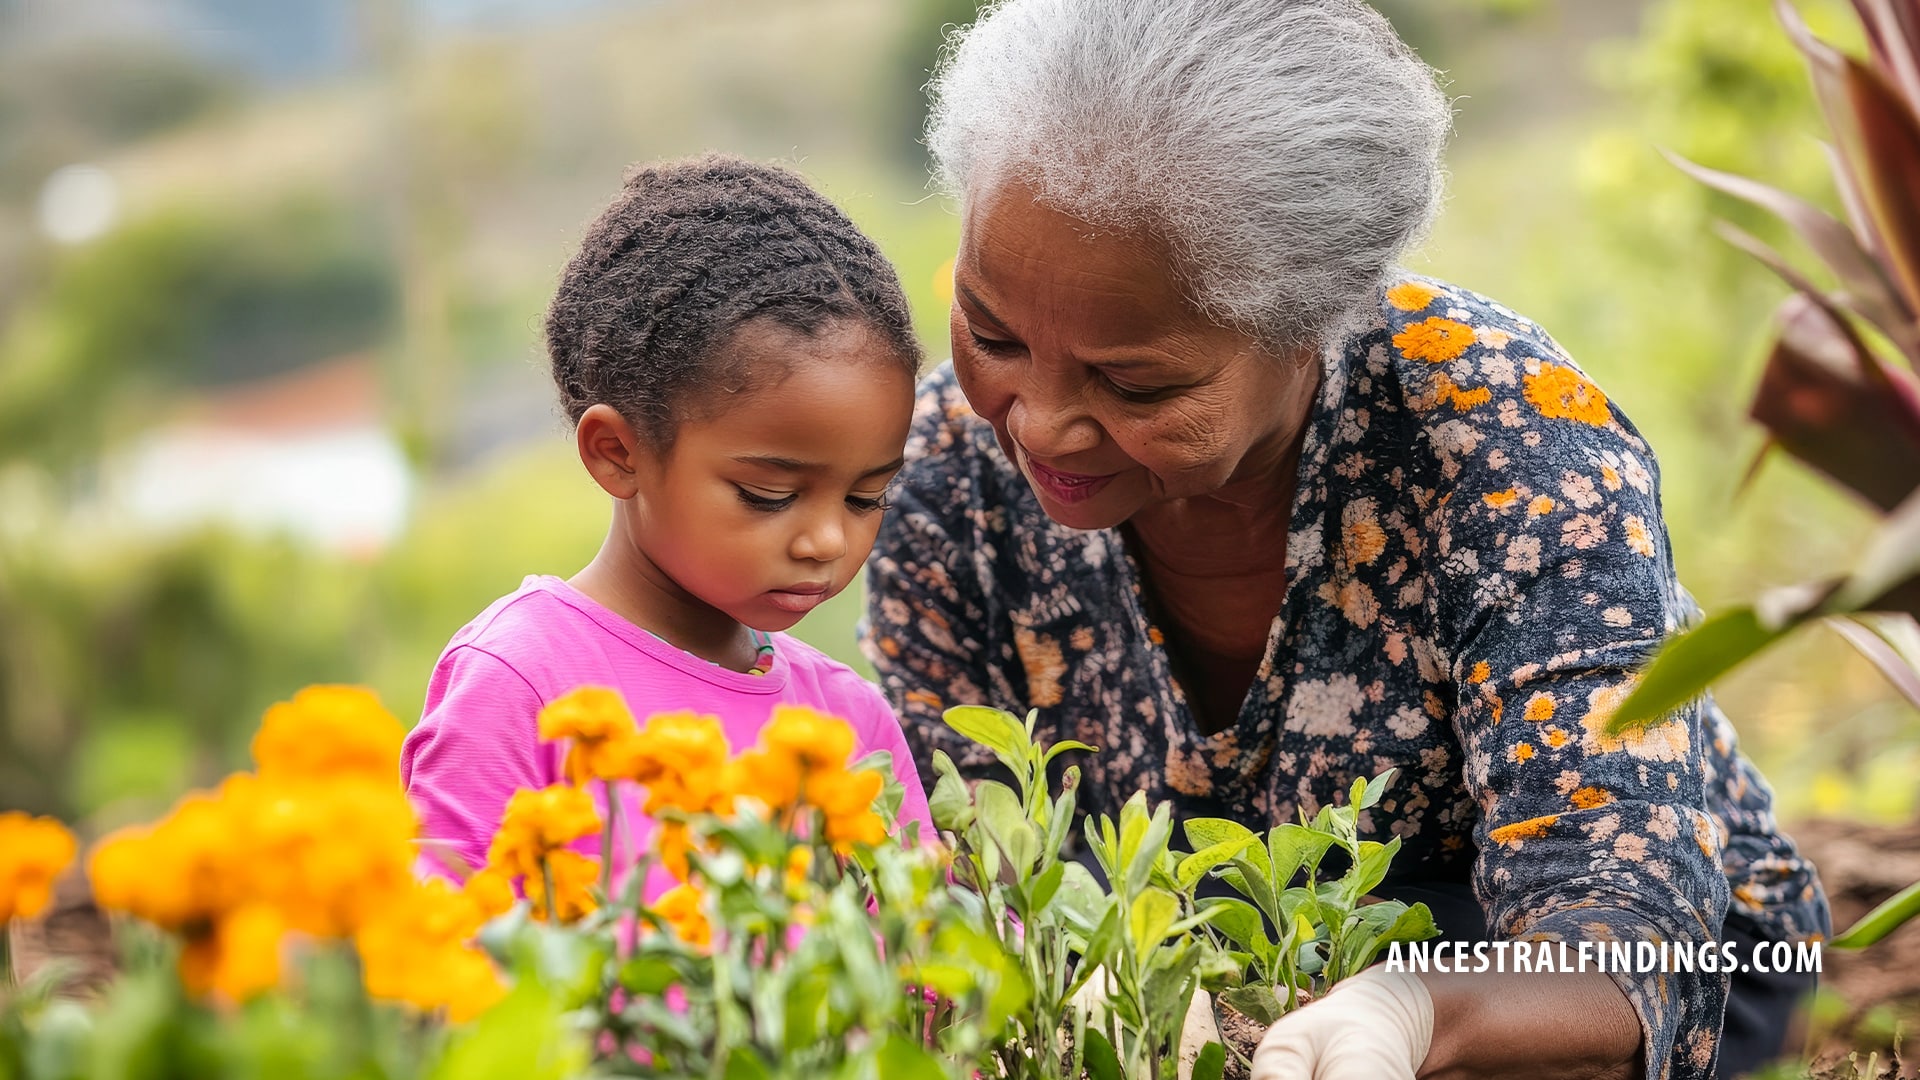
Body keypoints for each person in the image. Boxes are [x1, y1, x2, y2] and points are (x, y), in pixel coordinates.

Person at [861, 2, 1828, 1078]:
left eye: (1134, 381)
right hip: (1184, 948)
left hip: (1545, 983)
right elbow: (959, 870)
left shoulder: (1506, 443)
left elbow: (1622, 931)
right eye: (991, 331)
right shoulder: (944, 474)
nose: (1036, 420)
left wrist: (1411, 1012)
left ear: (1314, 319)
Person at [404, 155, 933, 905]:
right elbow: (449, 960)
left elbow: (935, 973)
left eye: (866, 497)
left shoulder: (845, 722)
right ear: (620, 454)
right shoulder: (522, 682)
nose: (827, 541)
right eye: (767, 494)